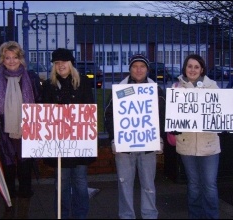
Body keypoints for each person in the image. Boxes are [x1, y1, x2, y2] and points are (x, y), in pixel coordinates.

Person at [104, 54, 165, 219]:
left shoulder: (156, 90)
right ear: (130, 69)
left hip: (148, 147)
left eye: (142, 66)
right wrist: (114, 139)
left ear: (147, 69)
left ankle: (150, 215)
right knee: (124, 184)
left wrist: (159, 138)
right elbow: (109, 115)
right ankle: (126, 216)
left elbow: (162, 115)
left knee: (148, 185)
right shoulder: (121, 90)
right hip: (124, 147)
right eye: (135, 66)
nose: (138, 70)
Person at [41, 48, 96, 219]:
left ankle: (80, 216)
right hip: (58, 145)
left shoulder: (83, 83)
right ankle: (62, 215)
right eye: (57, 63)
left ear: (71, 64)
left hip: (79, 144)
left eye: (64, 62)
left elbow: (89, 111)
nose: (60, 65)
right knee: (62, 183)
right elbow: (44, 112)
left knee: (80, 182)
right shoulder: (49, 86)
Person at [0, 41, 36, 219]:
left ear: (21, 58)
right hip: (3, 130)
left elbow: (38, 101)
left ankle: (24, 210)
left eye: (15, 57)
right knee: (7, 169)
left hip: (27, 129)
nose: (12, 61)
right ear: (2, 59)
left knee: (25, 169)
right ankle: (8, 205)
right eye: (7, 58)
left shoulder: (31, 77)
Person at [170, 54, 221, 219]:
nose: (192, 70)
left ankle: (212, 216)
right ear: (185, 68)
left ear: (202, 69)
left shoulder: (213, 87)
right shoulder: (176, 88)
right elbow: (171, 116)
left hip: (209, 145)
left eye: (196, 67)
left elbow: (220, 113)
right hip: (187, 144)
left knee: (210, 186)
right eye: (189, 66)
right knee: (193, 186)